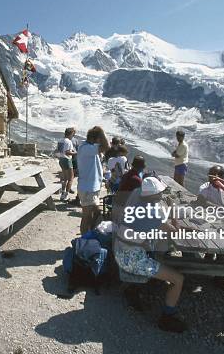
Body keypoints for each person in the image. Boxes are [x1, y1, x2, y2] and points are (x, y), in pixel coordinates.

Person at [114, 177, 187, 333]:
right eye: (160, 193)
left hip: (121, 249)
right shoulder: (152, 212)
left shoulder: (137, 197)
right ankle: (167, 318)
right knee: (178, 279)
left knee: (157, 245)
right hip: (130, 259)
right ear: (153, 195)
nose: (162, 195)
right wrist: (173, 210)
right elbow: (176, 231)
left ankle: (144, 284)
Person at [77, 126, 109, 234]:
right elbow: (107, 146)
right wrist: (101, 130)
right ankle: (84, 241)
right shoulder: (86, 148)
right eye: (99, 139)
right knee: (86, 216)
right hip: (88, 188)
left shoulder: (89, 147)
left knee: (96, 212)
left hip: (92, 187)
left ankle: (90, 235)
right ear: (96, 138)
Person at [57, 127, 77, 201]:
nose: (73, 136)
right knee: (71, 178)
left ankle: (62, 193)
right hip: (67, 159)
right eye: (73, 134)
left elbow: (59, 151)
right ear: (71, 134)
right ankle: (66, 195)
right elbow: (67, 152)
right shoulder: (68, 141)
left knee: (64, 178)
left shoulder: (60, 140)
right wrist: (76, 153)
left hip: (61, 159)